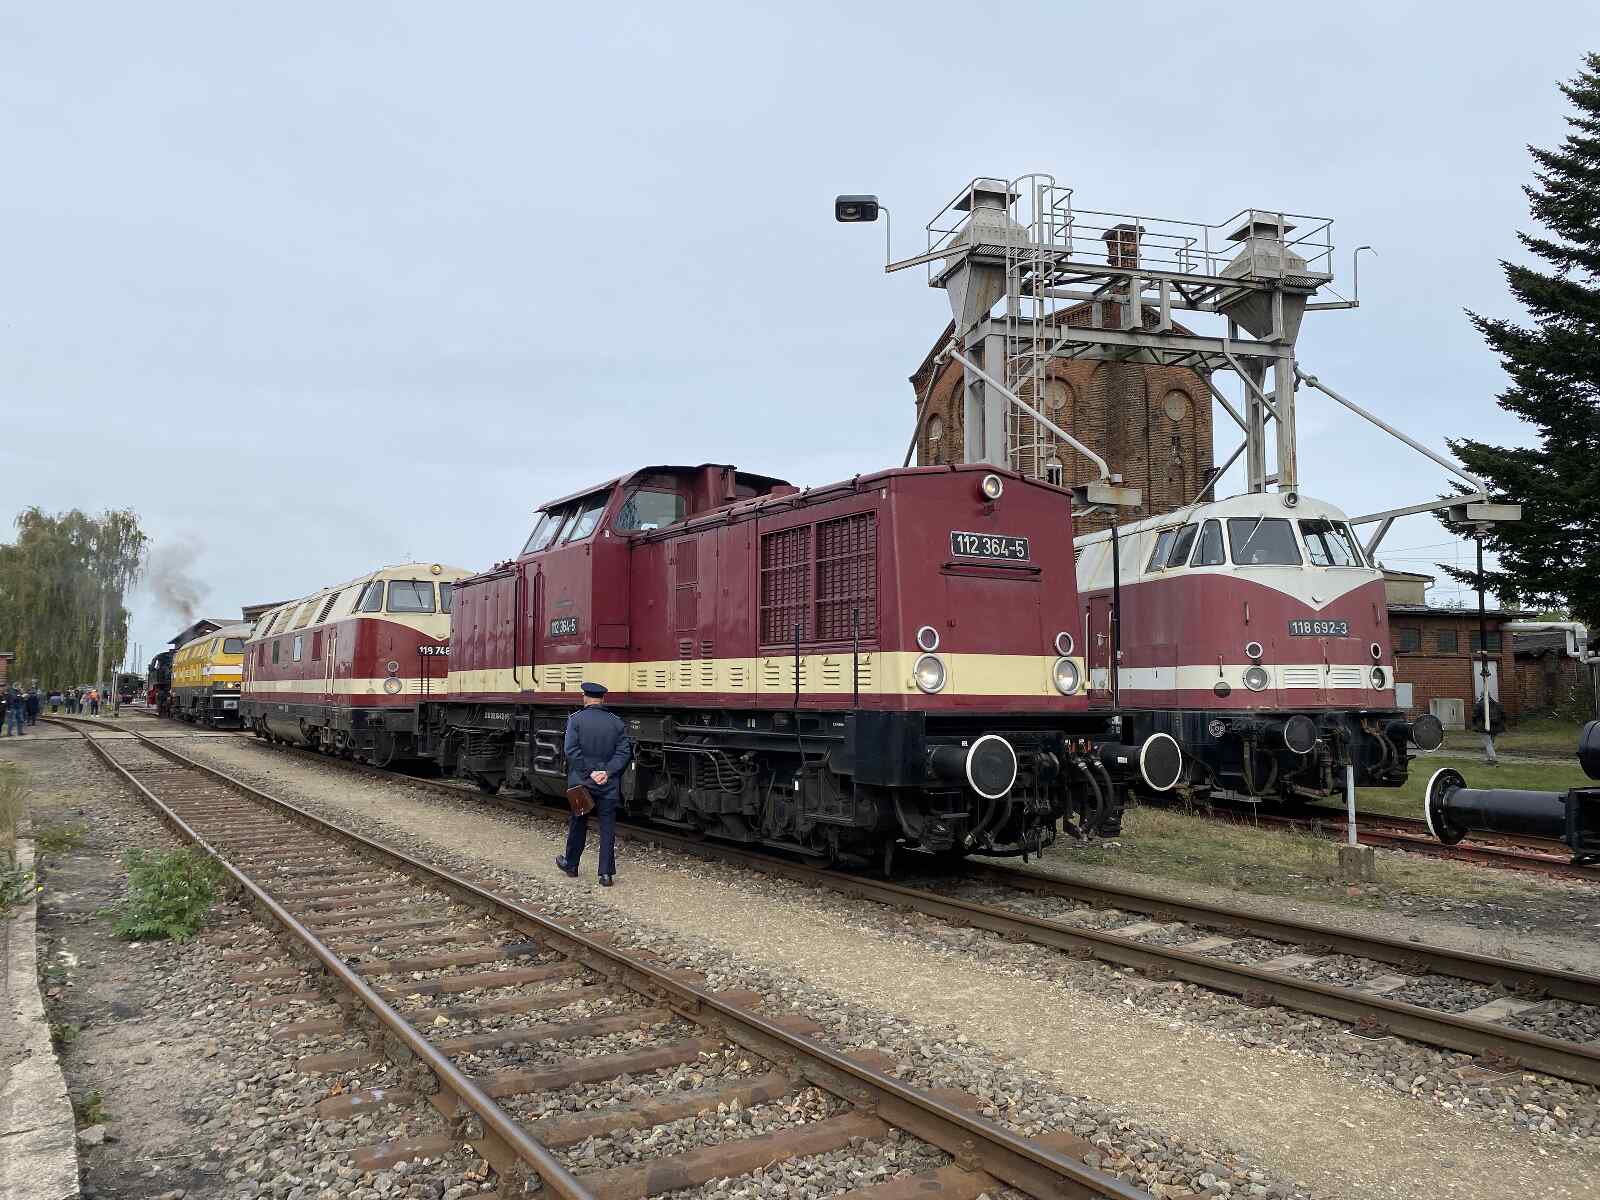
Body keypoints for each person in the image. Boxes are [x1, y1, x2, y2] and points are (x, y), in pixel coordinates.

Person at [555, 681, 633, 886]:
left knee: (578, 822)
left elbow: (571, 751)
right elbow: (624, 752)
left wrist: (589, 773)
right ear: (602, 698)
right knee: (607, 827)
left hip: (582, 784)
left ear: (586, 697)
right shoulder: (616, 722)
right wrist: (607, 772)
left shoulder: (576, 720)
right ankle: (605, 875)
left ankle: (571, 864)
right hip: (607, 783)